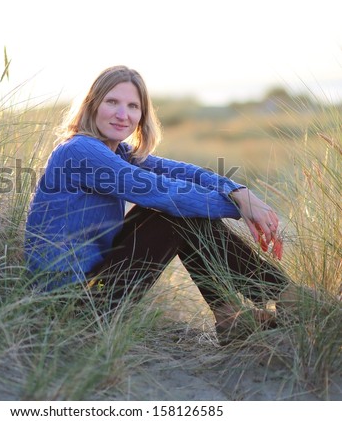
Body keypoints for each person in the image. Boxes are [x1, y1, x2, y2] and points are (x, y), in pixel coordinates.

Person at [25, 65, 291, 345]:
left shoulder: (119, 153)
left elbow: (184, 173)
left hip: (94, 287)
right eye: (112, 102)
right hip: (70, 307)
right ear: (92, 105)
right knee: (173, 212)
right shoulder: (80, 150)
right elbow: (166, 193)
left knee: (182, 210)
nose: (122, 114)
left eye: (132, 106)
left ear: (141, 116)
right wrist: (240, 209)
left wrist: (239, 192)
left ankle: (231, 316)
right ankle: (284, 295)